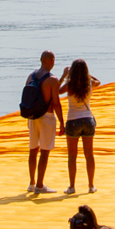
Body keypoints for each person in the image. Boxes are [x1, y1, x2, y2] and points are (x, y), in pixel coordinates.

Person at [23, 51, 63, 193]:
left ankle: (32, 183)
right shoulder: (52, 79)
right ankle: (40, 185)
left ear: (41, 60)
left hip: (32, 117)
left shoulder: (31, 76)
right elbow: (56, 103)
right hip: (47, 117)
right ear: (52, 61)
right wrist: (62, 123)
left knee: (33, 150)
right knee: (44, 152)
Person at [62, 57, 99, 193]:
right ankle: (91, 185)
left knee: (72, 156)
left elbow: (58, 90)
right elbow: (99, 82)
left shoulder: (69, 85)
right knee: (89, 154)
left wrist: (64, 76)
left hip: (73, 120)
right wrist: (88, 75)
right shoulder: (89, 83)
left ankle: (72, 186)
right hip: (87, 119)